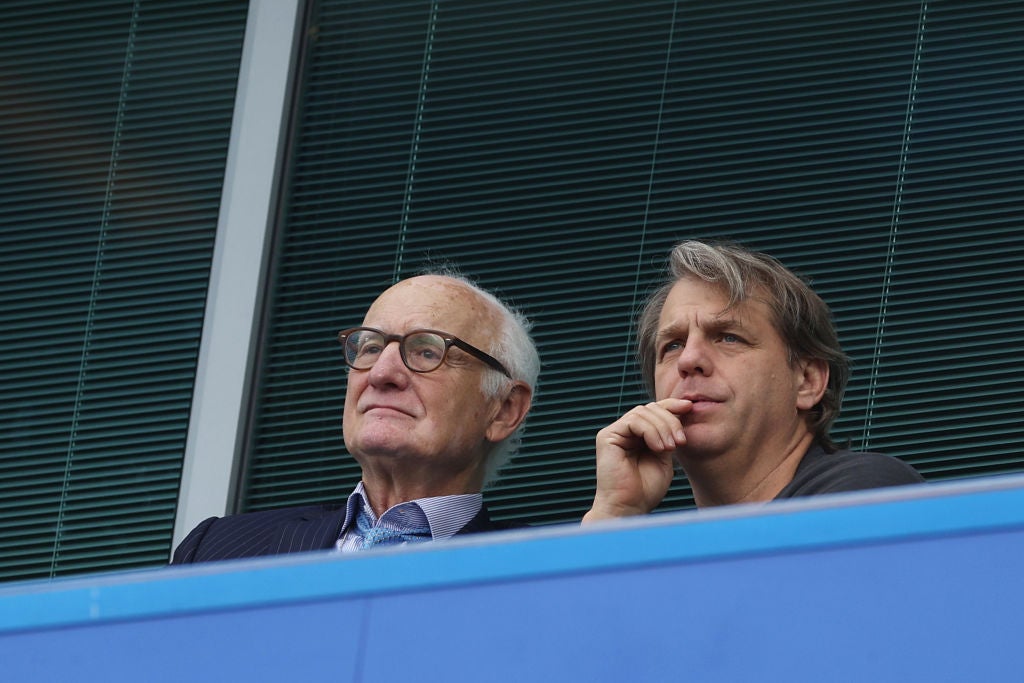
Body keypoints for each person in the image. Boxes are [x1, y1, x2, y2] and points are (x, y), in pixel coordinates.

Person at [173, 271, 538, 563]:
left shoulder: (539, 572)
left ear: (503, 410)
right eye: (371, 347)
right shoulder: (217, 551)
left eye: (427, 352)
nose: (381, 373)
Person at [583, 239, 923, 522]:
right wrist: (615, 512)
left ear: (806, 381)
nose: (688, 360)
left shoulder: (868, 491)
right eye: (672, 345)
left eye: (728, 337)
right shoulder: (666, 543)